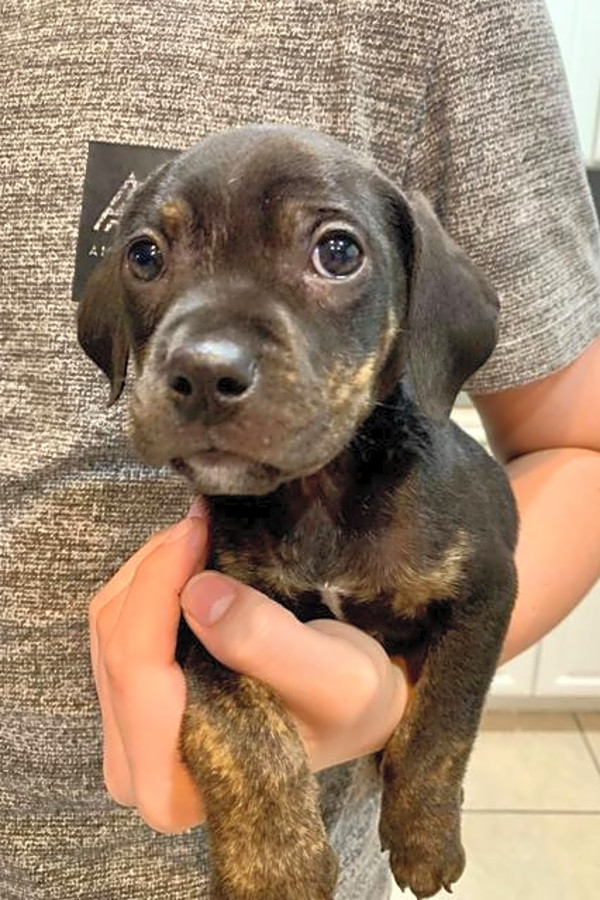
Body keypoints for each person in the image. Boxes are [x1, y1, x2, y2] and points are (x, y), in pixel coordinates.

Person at [2, 0, 600, 898]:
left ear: (421, 317)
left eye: (332, 252)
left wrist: (406, 739)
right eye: (153, 258)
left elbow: (574, 453)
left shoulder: (450, 23)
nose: (208, 358)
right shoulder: (242, 515)